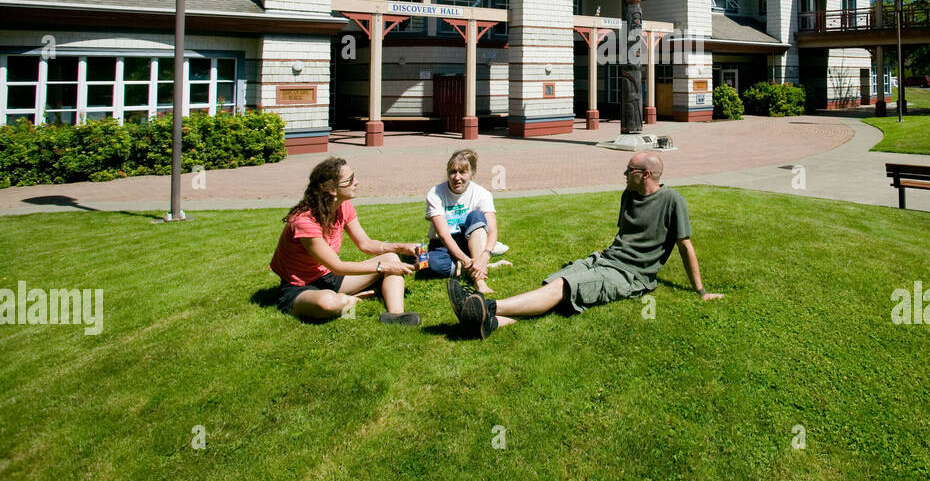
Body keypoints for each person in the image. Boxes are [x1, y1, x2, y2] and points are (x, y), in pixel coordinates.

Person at [446, 151, 722, 338]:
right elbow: (624, 237)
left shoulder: (673, 201)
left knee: (564, 288)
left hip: (630, 275)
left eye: (630, 170)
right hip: (604, 259)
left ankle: (485, 305)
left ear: (646, 174)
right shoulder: (629, 194)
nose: (624, 174)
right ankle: (489, 321)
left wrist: (701, 291)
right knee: (556, 283)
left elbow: (685, 246)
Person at [270, 156, 421, 324]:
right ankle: (357, 297)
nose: (356, 182)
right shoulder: (305, 221)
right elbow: (337, 266)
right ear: (332, 190)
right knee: (328, 303)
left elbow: (366, 244)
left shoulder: (343, 206)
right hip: (299, 286)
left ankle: (396, 315)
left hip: (329, 277)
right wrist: (383, 267)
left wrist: (401, 248)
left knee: (392, 258)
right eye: (349, 180)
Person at [424, 148, 505, 295]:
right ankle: (476, 265)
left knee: (476, 216)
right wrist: (469, 262)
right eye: (452, 171)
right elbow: (443, 235)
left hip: (471, 238)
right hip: (444, 243)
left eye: (462, 172)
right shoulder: (435, 193)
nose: (456, 177)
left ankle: (479, 280)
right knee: (434, 265)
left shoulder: (482, 194)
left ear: (472, 174)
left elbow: (492, 230)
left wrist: (486, 255)